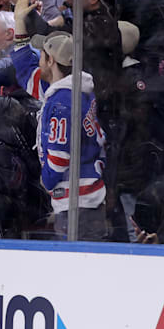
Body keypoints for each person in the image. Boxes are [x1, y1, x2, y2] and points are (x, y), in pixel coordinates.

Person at [34, 32, 108, 240]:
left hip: (76, 204)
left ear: (51, 60)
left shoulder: (62, 101)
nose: (38, 62)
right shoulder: (79, 92)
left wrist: (47, 181)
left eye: (41, 56)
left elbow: (60, 157)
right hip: (86, 198)